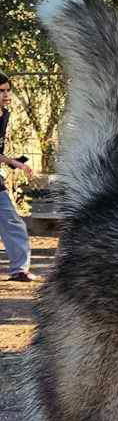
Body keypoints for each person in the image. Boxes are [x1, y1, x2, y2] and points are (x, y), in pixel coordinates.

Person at [0, 75, 34, 282]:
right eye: (1, 91)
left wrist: (16, 162)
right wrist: (16, 163)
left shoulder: (4, 115)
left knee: (12, 222)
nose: (6, 95)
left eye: (8, 90)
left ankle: (19, 270)